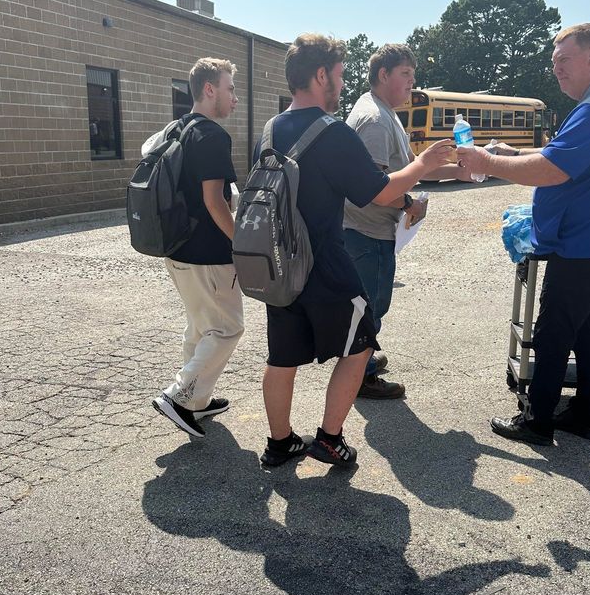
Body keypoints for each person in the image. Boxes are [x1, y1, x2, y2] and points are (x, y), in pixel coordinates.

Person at [259, 34, 452, 468]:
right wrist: (424, 165)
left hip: (279, 264)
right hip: (325, 262)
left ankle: (280, 443)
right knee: (361, 343)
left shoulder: (270, 130)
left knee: (282, 357)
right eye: (340, 75)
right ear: (321, 74)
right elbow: (379, 194)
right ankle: (329, 439)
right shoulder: (334, 133)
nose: (343, 85)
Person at [455, 23, 590, 446]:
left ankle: (537, 421)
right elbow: (561, 155)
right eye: (553, 62)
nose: (556, 69)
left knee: (553, 333)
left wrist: (487, 160)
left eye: (564, 60)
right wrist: (512, 153)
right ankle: (584, 414)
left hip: (584, 245)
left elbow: (553, 170)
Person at [344, 44, 474, 399]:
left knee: (370, 305)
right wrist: (409, 205)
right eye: (405, 75)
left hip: (372, 231)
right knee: (369, 307)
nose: (411, 85)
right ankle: (360, 376)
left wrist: (455, 173)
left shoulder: (384, 112)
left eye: (413, 77)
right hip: (365, 233)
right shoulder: (375, 121)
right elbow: (374, 188)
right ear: (383, 74)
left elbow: (408, 170)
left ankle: (363, 362)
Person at [152, 58, 244, 437]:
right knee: (227, 329)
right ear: (210, 89)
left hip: (177, 249)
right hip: (208, 254)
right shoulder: (211, 135)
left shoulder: (175, 129)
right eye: (230, 88)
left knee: (200, 327)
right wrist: (242, 243)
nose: (234, 98)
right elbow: (214, 201)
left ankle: (198, 402)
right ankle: (179, 396)